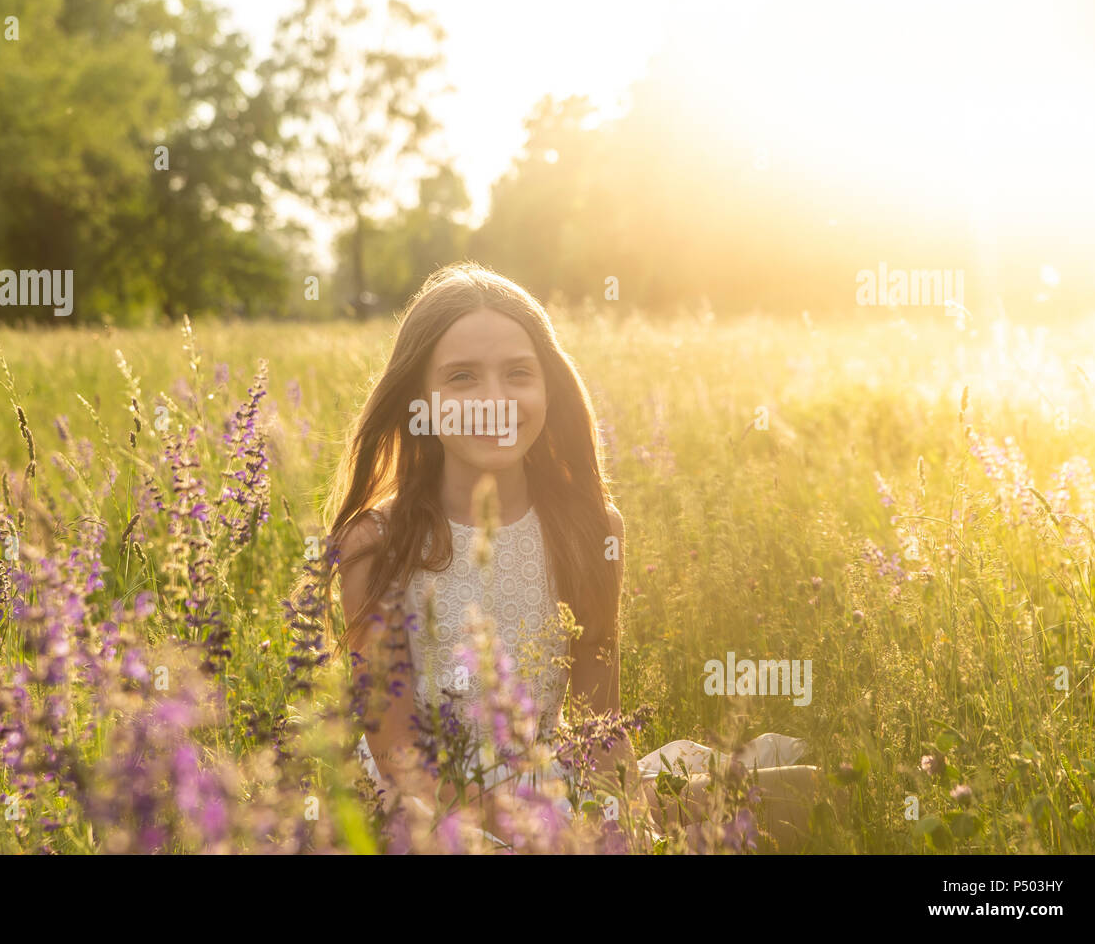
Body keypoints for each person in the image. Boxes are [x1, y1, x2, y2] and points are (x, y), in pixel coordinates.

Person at [324, 260, 821, 851]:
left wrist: (625, 819)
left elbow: (596, 725)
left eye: (517, 373)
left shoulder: (592, 531)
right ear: (420, 398)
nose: (494, 399)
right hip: (424, 806)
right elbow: (397, 753)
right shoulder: (376, 545)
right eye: (461, 378)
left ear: (549, 388)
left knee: (805, 792)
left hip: (555, 779)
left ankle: (690, 798)